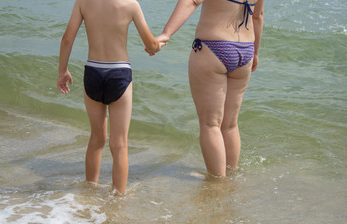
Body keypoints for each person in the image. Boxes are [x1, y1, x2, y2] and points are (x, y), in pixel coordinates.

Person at [57, 0, 164, 194]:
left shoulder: (83, 2)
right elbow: (150, 44)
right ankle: (118, 199)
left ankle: (90, 191)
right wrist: (158, 45)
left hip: (93, 71)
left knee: (97, 138)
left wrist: (62, 71)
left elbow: (67, 39)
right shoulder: (131, 5)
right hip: (119, 72)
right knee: (120, 144)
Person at [152, 0, 264, 176]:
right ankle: (230, 180)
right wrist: (255, 53)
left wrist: (166, 34)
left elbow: (192, 1)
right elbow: (257, 15)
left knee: (211, 124)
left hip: (215, 46)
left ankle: (217, 185)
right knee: (230, 124)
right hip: (246, 50)